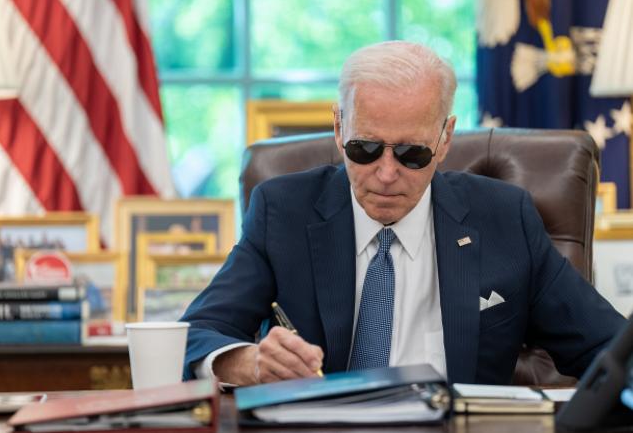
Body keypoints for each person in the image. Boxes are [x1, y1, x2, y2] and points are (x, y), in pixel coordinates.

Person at [181, 41, 625, 386]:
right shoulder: (284, 212)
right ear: (339, 129)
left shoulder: (504, 218)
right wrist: (247, 361)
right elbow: (195, 335)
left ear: (445, 138)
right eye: (365, 149)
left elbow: (609, 346)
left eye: (412, 153)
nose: (387, 173)